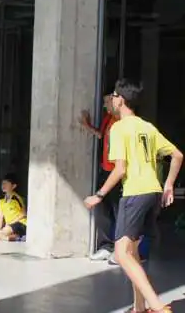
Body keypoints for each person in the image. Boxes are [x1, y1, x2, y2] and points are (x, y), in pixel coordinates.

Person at [84, 79, 182, 313]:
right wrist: (168, 184)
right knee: (133, 252)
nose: (111, 99)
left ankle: (158, 307)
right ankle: (139, 308)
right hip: (153, 193)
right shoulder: (147, 127)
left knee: (121, 254)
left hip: (135, 194)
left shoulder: (118, 128)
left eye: (113, 96)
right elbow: (177, 155)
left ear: (121, 100)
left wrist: (99, 194)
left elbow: (120, 168)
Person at [79, 94, 121, 262]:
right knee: (102, 209)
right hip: (105, 170)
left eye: (106, 102)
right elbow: (101, 136)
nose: (104, 106)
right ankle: (105, 246)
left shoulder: (123, 122)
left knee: (119, 211)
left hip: (118, 171)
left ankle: (121, 250)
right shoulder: (108, 119)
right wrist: (87, 126)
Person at [0, 173, 27, 241]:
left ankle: (16, 238)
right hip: (11, 225)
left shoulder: (16, 198)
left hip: (21, 223)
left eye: (6, 184)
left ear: (13, 186)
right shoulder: (2, 200)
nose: (3, 185)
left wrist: (10, 224)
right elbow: (1, 215)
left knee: (0, 234)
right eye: (3, 183)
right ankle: (17, 237)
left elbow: (24, 214)